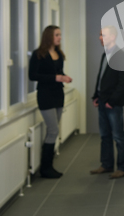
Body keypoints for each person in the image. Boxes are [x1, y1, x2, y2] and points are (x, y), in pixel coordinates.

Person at [29, 25, 72, 179]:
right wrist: (55, 78)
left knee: (53, 131)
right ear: (49, 36)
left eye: (60, 34)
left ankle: (48, 166)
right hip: (45, 95)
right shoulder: (38, 54)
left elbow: (58, 73)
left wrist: (64, 77)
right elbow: (33, 75)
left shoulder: (59, 53)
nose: (59, 37)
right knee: (53, 130)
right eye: (57, 35)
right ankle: (46, 168)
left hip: (58, 94)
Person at [90, 25, 124, 179]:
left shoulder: (121, 56)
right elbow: (101, 78)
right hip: (102, 101)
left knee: (118, 136)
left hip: (113, 104)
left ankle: (123, 167)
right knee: (104, 135)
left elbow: (123, 82)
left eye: (103, 35)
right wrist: (96, 96)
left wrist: (111, 101)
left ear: (113, 37)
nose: (100, 38)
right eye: (100, 35)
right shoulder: (104, 55)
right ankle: (106, 165)